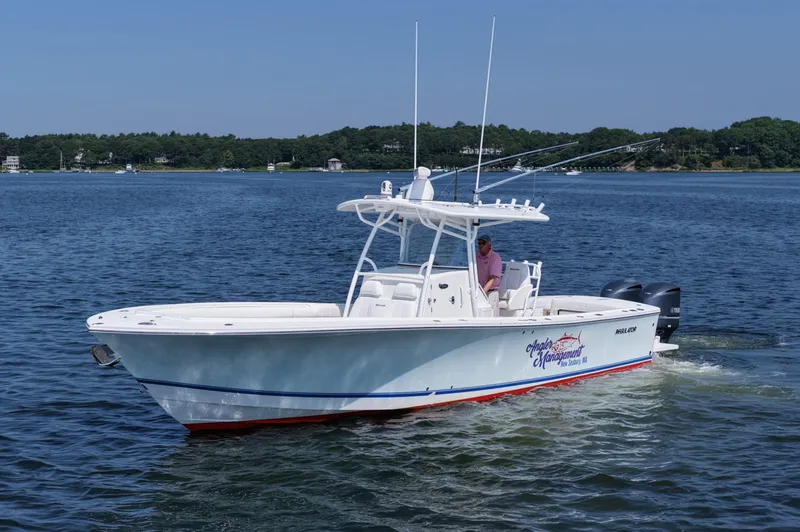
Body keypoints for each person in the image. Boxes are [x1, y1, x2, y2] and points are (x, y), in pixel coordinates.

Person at [476, 234, 502, 316]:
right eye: (479, 243)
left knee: (491, 317)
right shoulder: (476, 256)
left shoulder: (495, 257)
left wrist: (482, 293)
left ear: (489, 245)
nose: (480, 245)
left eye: (483, 243)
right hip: (478, 292)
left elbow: (492, 279)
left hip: (490, 293)